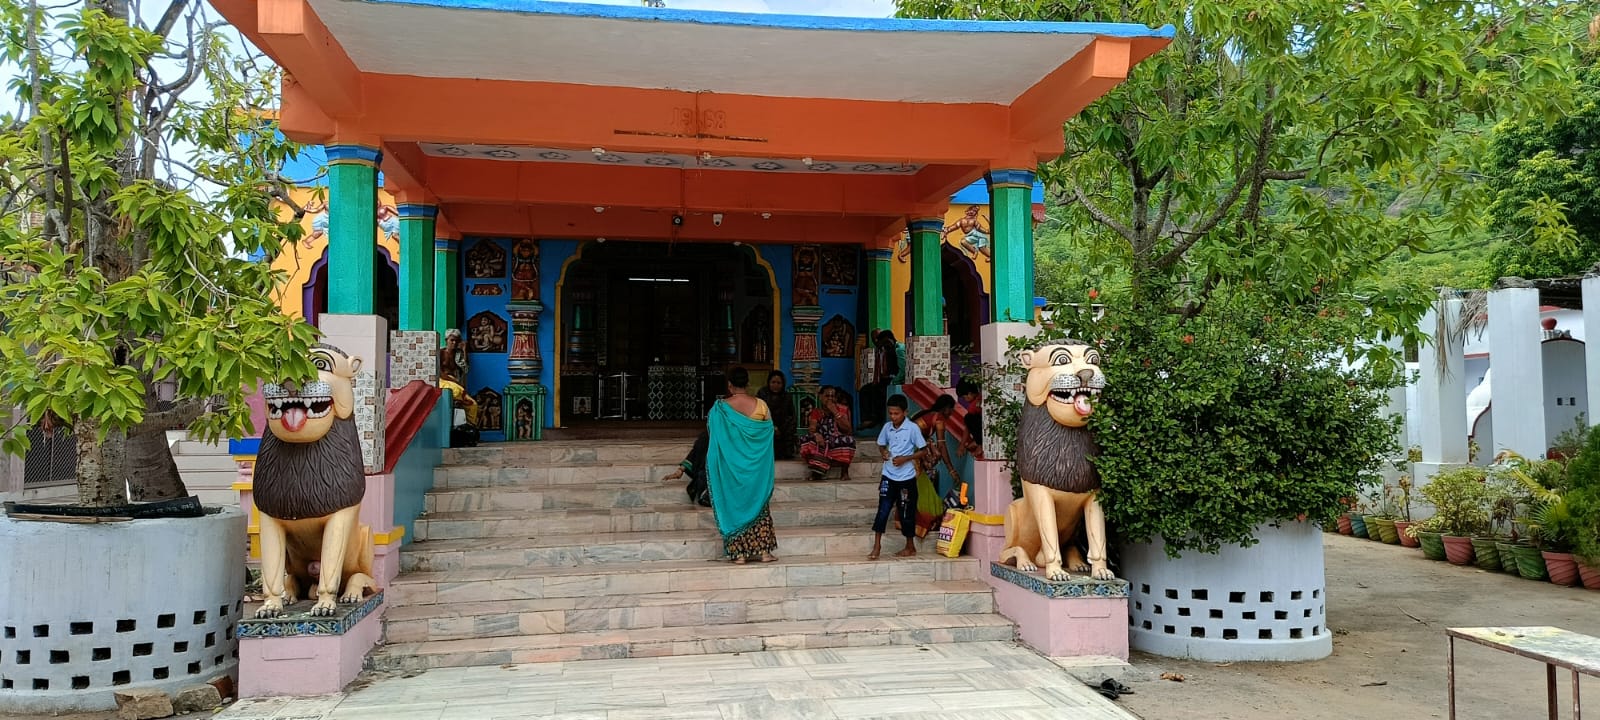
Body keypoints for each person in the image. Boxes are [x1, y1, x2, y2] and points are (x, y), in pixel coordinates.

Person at [704, 367, 778, 564]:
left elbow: (714, 436)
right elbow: (768, 433)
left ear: (729, 385)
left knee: (734, 506)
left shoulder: (719, 409)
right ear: (747, 383)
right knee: (759, 507)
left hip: (731, 469)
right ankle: (764, 553)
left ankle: (738, 555)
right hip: (756, 469)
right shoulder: (761, 405)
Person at [869, 395, 927, 560]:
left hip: (906, 478)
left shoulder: (912, 428)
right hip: (888, 475)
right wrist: (884, 452)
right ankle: (877, 545)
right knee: (883, 510)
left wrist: (906, 458)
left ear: (905, 412)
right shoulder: (887, 427)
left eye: (896, 413)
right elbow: (881, 444)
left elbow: (923, 450)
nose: (893, 417)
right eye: (891, 413)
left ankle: (910, 546)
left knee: (906, 512)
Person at [912, 395, 965, 516]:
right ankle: (923, 516)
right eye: (952, 409)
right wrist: (951, 470)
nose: (952, 413)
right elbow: (942, 446)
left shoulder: (927, 414)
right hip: (911, 453)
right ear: (946, 408)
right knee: (920, 486)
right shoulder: (939, 418)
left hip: (908, 451)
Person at [799, 385, 856, 481]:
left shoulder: (842, 409)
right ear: (820, 397)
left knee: (849, 440)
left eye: (832, 396)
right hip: (823, 441)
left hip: (836, 440)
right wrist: (816, 435)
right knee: (807, 440)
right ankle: (817, 471)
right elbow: (812, 428)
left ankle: (844, 471)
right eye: (827, 396)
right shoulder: (816, 412)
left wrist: (835, 411)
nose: (830, 399)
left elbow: (848, 429)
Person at [756, 371, 796, 460]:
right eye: (773, 382)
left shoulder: (787, 397)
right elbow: (757, 414)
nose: (776, 385)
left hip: (783, 432)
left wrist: (780, 430)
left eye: (779, 383)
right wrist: (772, 427)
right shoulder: (762, 394)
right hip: (766, 429)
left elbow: (791, 417)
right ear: (768, 382)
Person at [956, 378, 983, 459]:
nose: (965, 400)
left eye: (964, 397)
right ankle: (978, 442)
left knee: (968, 418)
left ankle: (980, 444)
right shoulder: (981, 397)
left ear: (970, 394)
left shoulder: (973, 405)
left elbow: (968, 427)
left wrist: (962, 445)